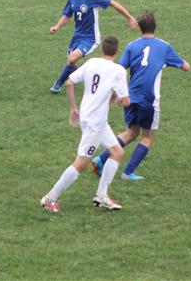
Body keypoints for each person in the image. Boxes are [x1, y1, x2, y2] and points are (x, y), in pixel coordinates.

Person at [92, 11, 190, 181]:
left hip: (130, 96)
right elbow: (186, 67)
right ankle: (127, 173)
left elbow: (119, 69)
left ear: (140, 28)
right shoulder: (164, 46)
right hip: (149, 99)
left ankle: (100, 159)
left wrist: (114, 93)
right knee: (148, 136)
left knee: (131, 132)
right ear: (155, 27)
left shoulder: (132, 46)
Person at [40, 36, 130, 213]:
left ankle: (101, 196)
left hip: (91, 117)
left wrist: (73, 109)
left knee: (117, 152)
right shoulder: (118, 70)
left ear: (102, 49)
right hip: (95, 123)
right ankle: (50, 198)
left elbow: (69, 82)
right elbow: (125, 102)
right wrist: (121, 97)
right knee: (81, 163)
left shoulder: (91, 63)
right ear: (117, 51)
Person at [49, 0, 137, 94]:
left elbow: (113, 3)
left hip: (90, 38)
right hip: (77, 36)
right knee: (71, 61)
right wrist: (57, 26)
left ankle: (57, 85)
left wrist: (129, 18)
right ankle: (75, 76)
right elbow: (67, 15)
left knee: (71, 59)